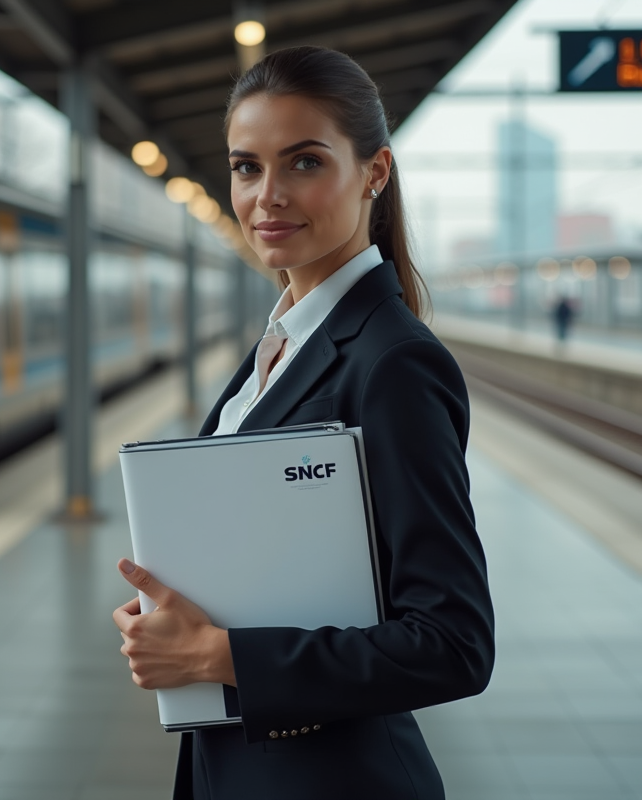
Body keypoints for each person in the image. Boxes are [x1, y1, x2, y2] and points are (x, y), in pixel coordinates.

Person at [111, 46, 494, 800]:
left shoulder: (392, 363)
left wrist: (219, 657)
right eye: (247, 167)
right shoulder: (282, 345)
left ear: (374, 173)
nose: (267, 196)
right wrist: (176, 613)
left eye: (305, 164)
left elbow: (454, 643)